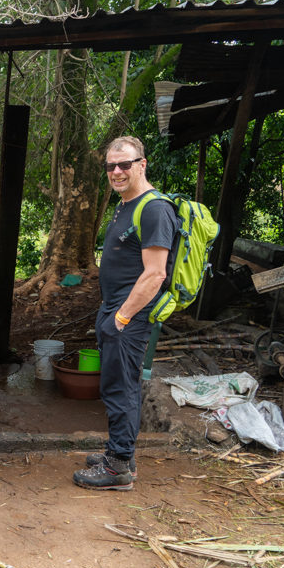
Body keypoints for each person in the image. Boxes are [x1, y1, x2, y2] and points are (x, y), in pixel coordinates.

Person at [73, 136, 179, 491]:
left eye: (125, 165)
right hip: (115, 311)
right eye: (111, 166)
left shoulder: (153, 209)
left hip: (129, 317)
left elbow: (155, 274)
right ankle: (122, 454)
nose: (117, 171)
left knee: (121, 390)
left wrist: (120, 318)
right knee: (118, 386)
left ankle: (118, 467)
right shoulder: (125, 203)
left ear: (142, 165)